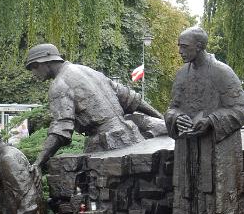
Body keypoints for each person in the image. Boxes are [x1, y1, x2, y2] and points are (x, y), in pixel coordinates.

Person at [165, 27, 244, 214]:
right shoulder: (182, 74)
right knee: (187, 203)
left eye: (184, 46)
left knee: (219, 205)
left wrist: (212, 120)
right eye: (179, 46)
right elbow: (171, 108)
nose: (180, 51)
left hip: (217, 152)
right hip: (188, 151)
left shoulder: (222, 72)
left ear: (200, 47)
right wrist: (176, 118)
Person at [25, 43, 165, 171]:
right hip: (131, 133)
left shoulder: (59, 85)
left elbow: (61, 129)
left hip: (106, 144)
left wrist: (38, 163)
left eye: (33, 67)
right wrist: (161, 118)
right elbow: (131, 98)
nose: (33, 74)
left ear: (45, 63)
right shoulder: (88, 71)